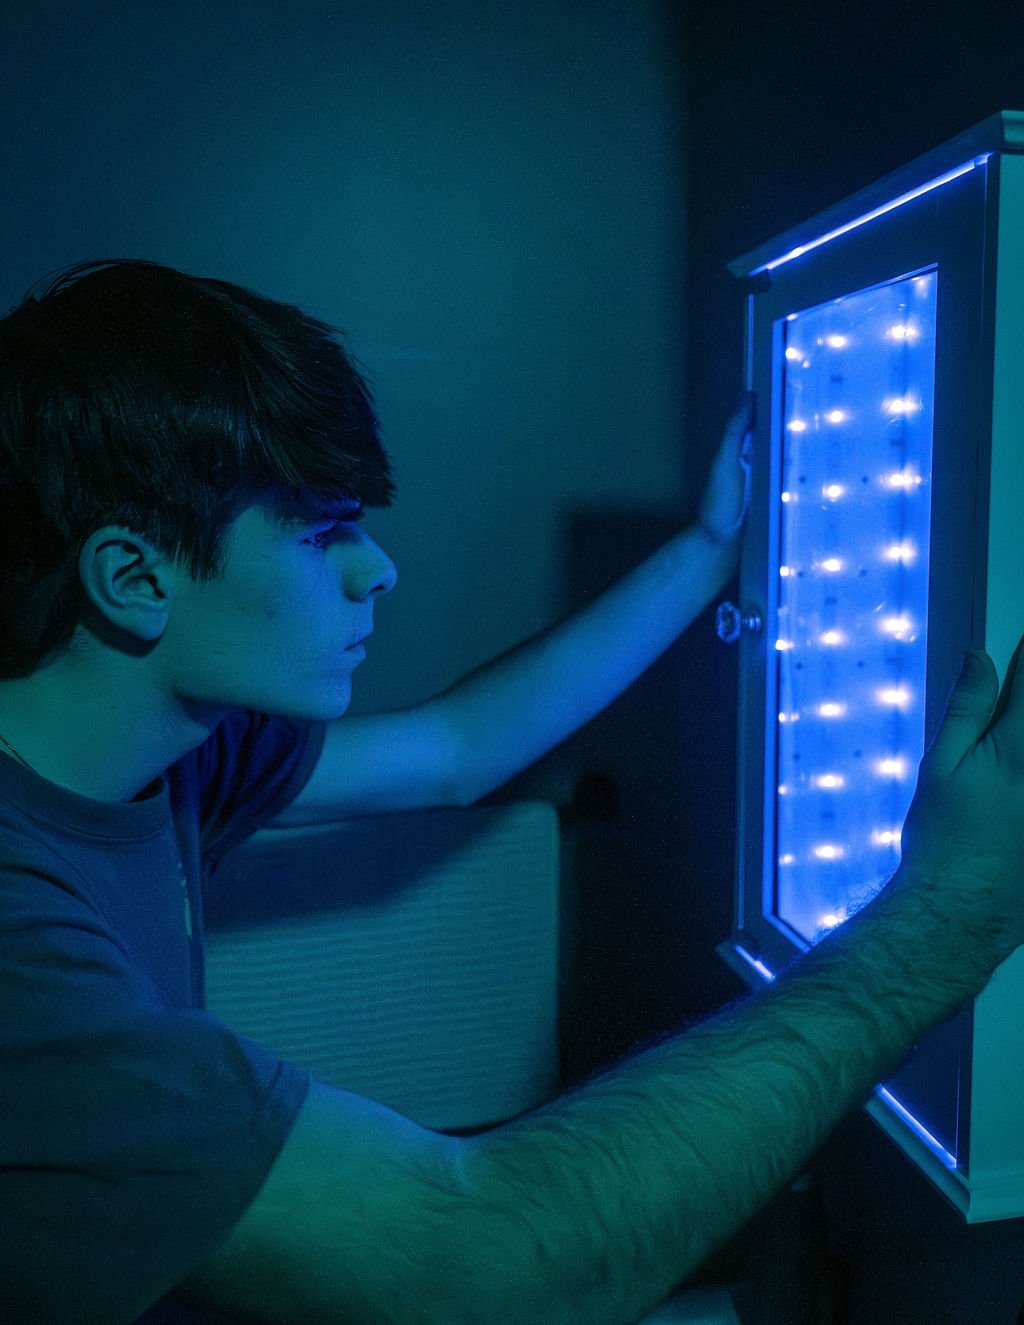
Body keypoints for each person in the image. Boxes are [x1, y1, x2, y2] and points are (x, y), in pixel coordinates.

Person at [0, 258, 1020, 1325]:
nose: (375, 569)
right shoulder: (19, 956)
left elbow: (456, 745)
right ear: (135, 577)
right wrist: (947, 913)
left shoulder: (164, 758)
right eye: (319, 532)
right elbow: (477, 1263)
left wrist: (710, 547)